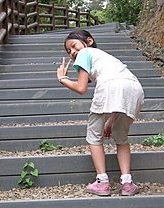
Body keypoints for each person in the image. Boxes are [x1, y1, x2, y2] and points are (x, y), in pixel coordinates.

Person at [56, 29, 144, 196]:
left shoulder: (85, 53)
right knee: (121, 136)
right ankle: (127, 183)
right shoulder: (106, 57)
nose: (73, 52)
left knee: (93, 136)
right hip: (135, 88)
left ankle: (102, 182)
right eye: (69, 51)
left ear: (88, 41)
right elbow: (118, 93)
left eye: (74, 46)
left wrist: (62, 78)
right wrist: (110, 121)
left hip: (111, 87)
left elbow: (81, 88)